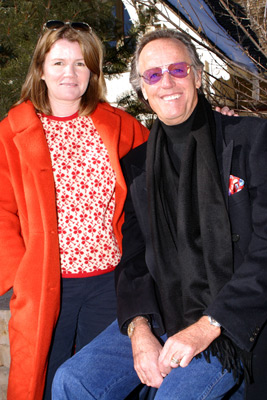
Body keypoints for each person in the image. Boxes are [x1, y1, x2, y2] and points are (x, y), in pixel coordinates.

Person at [52, 28, 267, 400]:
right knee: (73, 381)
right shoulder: (137, 167)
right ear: (143, 90)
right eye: (153, 75)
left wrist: (207, 327)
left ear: (198, 76)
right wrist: (139, 331)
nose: (166, 82)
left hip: (228, 322)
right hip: (163, 313)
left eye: (178, 70)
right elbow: (134, 261)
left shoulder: (251, 140)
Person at [0, 21, 149, 400]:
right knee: (46, 384)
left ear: (93, 72)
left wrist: (214, 123)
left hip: (108, 285)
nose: (70, 73)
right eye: (59, 63)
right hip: (47, 286)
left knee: (97, 385)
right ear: (40, 69)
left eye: (81, 64)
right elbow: (1, 211)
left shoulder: (118, 125)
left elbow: (167, 157)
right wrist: (20, 277)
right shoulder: (11, 133)